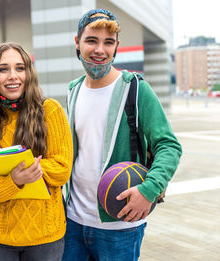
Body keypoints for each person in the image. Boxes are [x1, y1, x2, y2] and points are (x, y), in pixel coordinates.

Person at [62, 9, 182, 261]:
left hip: (119, 224)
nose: (100, 50)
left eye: (108, 43)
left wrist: (149, 190)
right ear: (77, 42)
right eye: (92, 40)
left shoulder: (136, 89)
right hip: (72, 220)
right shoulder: (73, 90)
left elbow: (169, 146)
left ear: (117, 46)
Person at [0, 42, 73, 261]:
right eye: (3, 69)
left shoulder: (50, 111)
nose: (13, 76)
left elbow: (62, 169)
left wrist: (7, 164)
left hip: (45, 236)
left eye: (20, 68)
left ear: (28, 73)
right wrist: (13, 180)